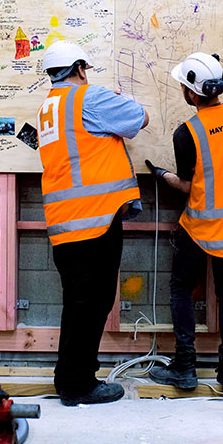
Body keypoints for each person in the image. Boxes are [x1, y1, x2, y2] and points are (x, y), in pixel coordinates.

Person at [36, 40, 149, 406]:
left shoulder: (49, 107)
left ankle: (72, 377)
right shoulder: (89, 99)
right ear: (80, 68)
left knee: (79, 302)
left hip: (66, 222)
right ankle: (77, 384)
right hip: (95, 220)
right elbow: (139, 118)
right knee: (92, 302)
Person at [144, 52, 223, 393]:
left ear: (192, 94)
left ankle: (185, 367)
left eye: (184, 85)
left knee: (182, 288)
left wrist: (163, 175)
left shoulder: (188, 132)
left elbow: (187, 185)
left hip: (199, 228)